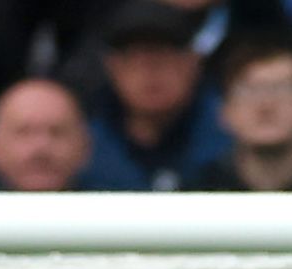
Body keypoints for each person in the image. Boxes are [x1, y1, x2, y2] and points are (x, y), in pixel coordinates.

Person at [79, 1, 230, 192]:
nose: (150, 74)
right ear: (113, 68)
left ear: (192, 63)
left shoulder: (231, 136)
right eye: (136, 60)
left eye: (162, 59)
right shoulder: (82, 147)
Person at [193, 32, 292, 191]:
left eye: (282, 89)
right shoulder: (196, 193)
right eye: (249, 91)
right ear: (225, 111)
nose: (266, 105)